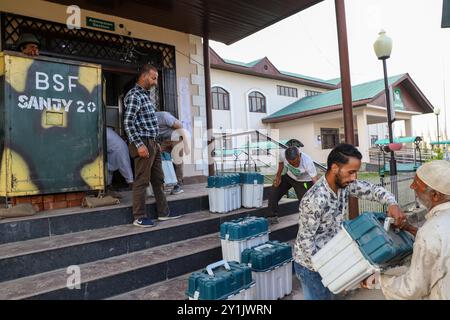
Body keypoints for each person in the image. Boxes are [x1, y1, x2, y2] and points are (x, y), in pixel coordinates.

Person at [294, 143, 407, 300]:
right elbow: (307, 243)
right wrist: (333, 270)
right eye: (351, 172)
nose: (354, 177)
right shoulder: (315, 199)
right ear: (335, 168)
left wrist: (392, 203)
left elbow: (372, 190)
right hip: (311, 266)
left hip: (330, 256)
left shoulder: (344, 185)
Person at [362, 160, 450, 299]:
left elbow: (412, 289)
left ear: (435, 195)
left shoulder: (430, 233)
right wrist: (409, 228)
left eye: (417, 185)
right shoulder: (437, 226)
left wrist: (379, 280)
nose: (411, 186)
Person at [123, 64, 180, 228]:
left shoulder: (146, 96)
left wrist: (158, 143)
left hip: (153, 143)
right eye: (153, 78)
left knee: (158, 179)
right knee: (142, 180)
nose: (155, 82)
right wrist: (139, 144)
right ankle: (139, 217)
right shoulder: (134, 95)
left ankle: (163, 213)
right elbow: (128, 123)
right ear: (144, 76)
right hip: (143, 142)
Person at [266, 146, 319, 225]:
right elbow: (281, 163)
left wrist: (317, 194)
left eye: (296, 162)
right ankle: (271, 216)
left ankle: (308, 222)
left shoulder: (307, 161)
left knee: (305, 202)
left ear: (299, 156)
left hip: (304, 181)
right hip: (290, 177)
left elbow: (315, 180)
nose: (294, 165)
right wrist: (278, 176)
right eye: (291, 163)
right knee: (274, 190)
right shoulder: (283, 154)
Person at [155, 111, 190, 195]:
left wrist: (186, 145)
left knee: (178, 161)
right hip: (164, 140)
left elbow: (180, 127)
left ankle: (178, 185)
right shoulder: (147, 121)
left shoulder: (164, 116)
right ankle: (161, 183)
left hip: (176, 137)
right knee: (156, 157)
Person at [106, 127, 134, 196]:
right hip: (112, 150)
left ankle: (132, 185)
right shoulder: (106, 129)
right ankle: (108, 185)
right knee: (108, 167)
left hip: (119, 148)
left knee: (125, 167)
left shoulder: (102, 130)